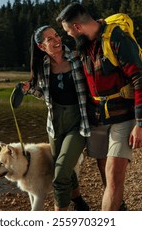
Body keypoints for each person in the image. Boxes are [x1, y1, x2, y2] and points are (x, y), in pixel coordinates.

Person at [56, 3, 142, 211]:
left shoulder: (118, 39)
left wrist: (141, 123)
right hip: (96, 117)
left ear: (77, 27)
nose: (69, 36)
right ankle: (119, 208)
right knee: (102, 166)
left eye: (68, 32)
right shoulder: (84, 45)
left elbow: (140, 80)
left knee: (113, 175)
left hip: (123, 116)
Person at [20, 25, 90, 211]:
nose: (57, 40)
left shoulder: (77, 57)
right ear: (42, 46)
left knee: (59, 175)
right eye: (50, 39)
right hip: (55, 126)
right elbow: (45, 95)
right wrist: (29, 90)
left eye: (56, 35)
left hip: (78, 123)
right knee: (64, 166)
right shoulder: (42, 65)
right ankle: (79, 202)